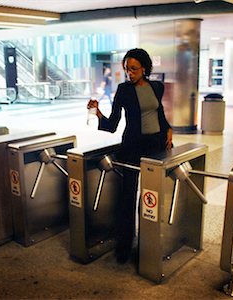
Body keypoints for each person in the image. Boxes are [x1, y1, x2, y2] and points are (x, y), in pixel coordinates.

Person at [87, 48, 173, 264]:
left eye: (134, 69)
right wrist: (97, 112)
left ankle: (149, 245)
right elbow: (112, 124)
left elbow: (159, 113)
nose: (130, 73)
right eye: (127, 69)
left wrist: (168, 129)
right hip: (133, 146)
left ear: (144, 68)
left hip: (156, 145)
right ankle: (124, 247)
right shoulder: (123, 90)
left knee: (151, 196)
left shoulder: (157, 87)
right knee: (128, 197)